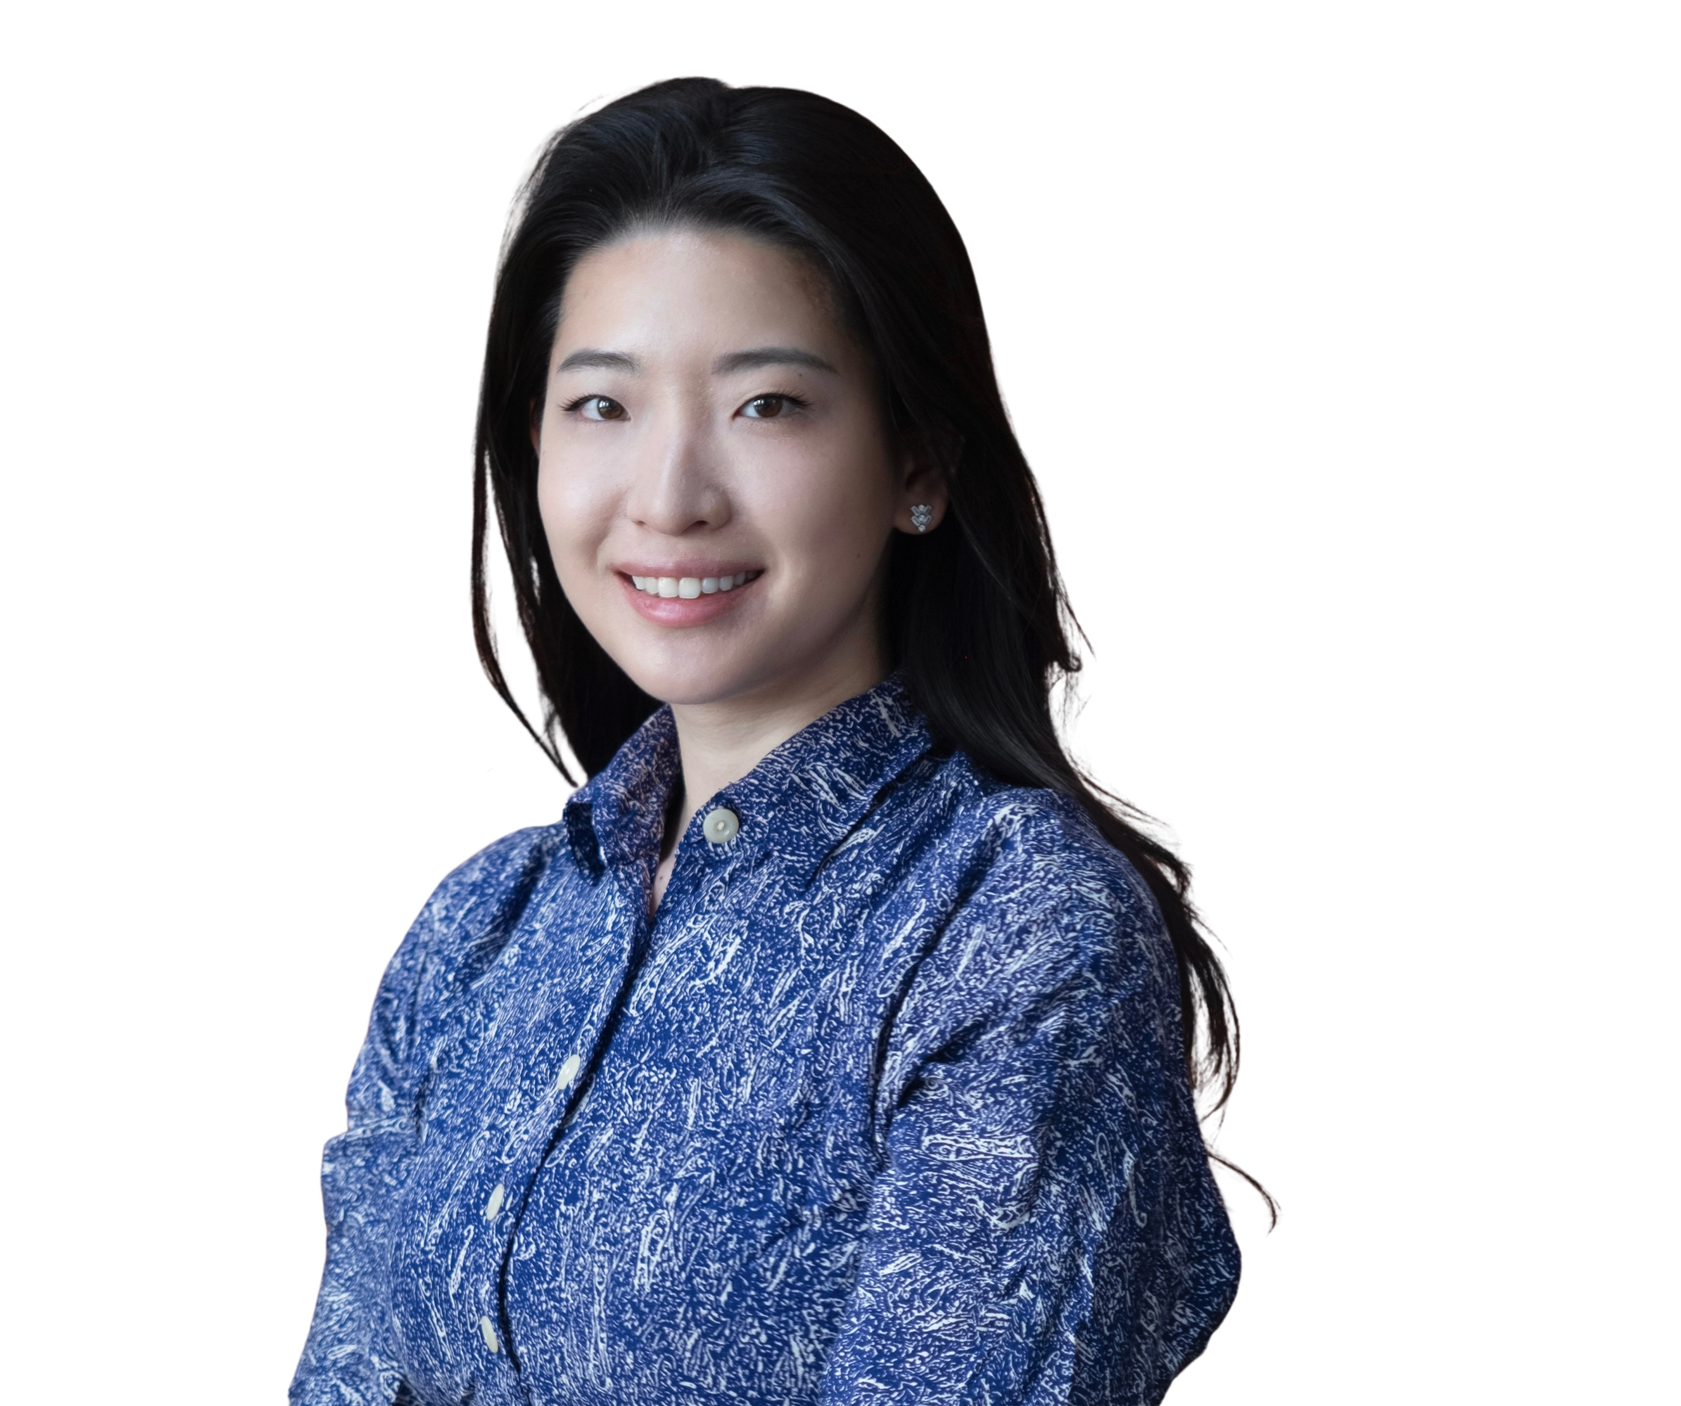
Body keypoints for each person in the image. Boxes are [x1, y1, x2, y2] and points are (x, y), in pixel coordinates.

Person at [292, 76, 1265, 1405]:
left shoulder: (1015, 929)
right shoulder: (479, 932)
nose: (672, 497)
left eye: (767, 405)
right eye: (601, 405)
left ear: (918, 460)